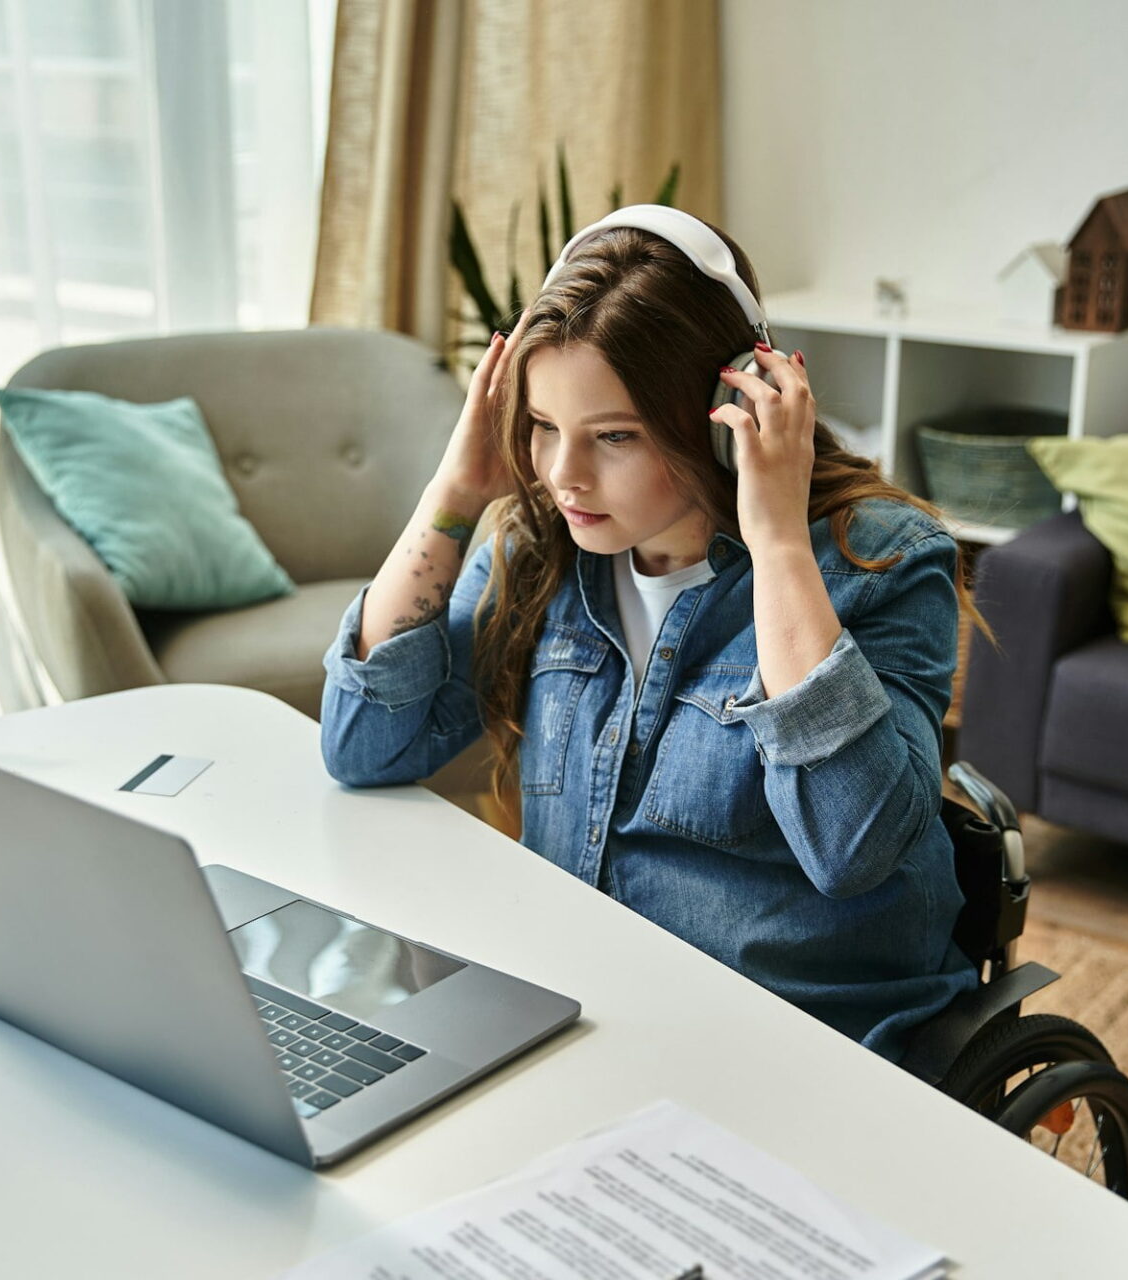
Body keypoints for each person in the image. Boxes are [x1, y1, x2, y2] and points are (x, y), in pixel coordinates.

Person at [319, 208, 984, 1063]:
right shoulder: (542, 549)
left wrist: (777, 538)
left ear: (723, 411)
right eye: (543, 426)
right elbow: (362, 745)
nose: (564, 474)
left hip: (800, 1045)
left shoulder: (881, 560)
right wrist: (454, 493)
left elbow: (851, 848)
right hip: (588, 1021)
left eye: (615, 436)